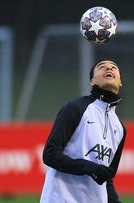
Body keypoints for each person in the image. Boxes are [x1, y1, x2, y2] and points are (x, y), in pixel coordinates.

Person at [40, 59, 127, 203]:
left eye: (113, 67)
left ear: (120, 82)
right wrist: (89, 168)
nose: (108, 68)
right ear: (92, 81)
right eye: (102, 67)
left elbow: (106, 177)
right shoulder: (76, 108)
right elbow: (50, 155)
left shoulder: (120, 128)